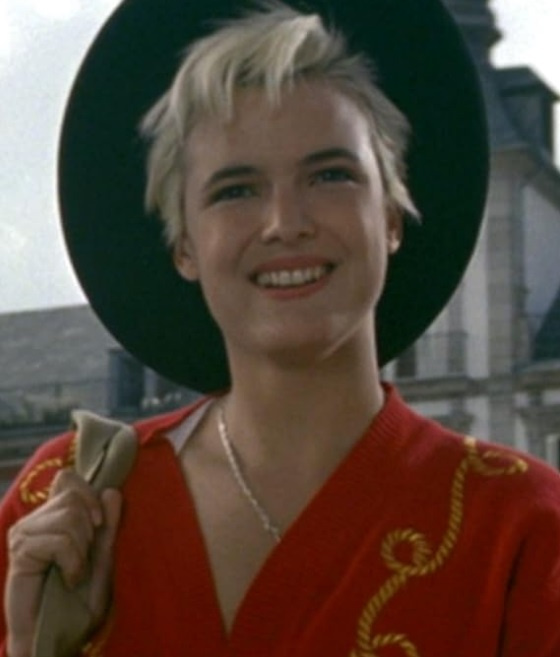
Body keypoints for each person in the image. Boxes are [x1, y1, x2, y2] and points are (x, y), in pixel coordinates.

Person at [1, 1, 560, 655]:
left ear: (390, 218)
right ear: (184, 246)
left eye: (330, 176)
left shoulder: (523, 528)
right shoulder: (67, 500)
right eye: (236, 190)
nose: (285, 223)